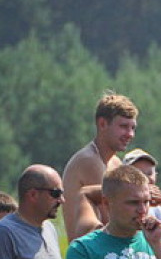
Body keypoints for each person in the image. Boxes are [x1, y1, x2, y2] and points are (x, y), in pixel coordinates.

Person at [62, 93, 144, 240]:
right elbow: (115, 217)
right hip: (88, 254)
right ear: (102, 124)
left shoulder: (115, 162)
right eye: (124, 126)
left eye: (133, 128)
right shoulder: (89, 160)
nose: (130, 134)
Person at [123, 148, 161, 223]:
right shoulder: (121, 207)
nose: (146, 178)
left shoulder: (157, 209)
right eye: (139, 174)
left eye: (149, 173)